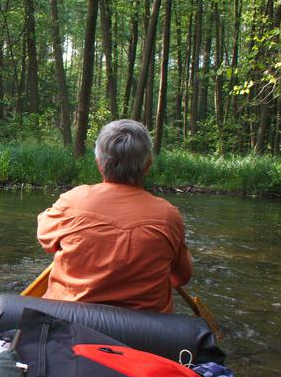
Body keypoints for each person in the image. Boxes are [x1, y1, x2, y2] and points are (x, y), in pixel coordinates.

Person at [36, 119, 192, 313]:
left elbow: (45, 239)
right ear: (148, 165)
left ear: (99, 163)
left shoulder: (71, 201)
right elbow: (180, 278)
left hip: (68, 324)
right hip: (145, 335)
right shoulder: (169, 216)